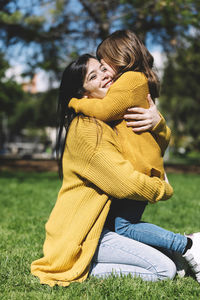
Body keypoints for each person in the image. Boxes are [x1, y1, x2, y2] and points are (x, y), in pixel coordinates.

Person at [31, 54, 178, 287]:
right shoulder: (88, 129)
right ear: (83, 94)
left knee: (173, 260)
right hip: (83, 234)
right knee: (165, 270)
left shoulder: (109, 118)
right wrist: (163, 189)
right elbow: (125, 183)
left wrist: (157, 123)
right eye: (93, 76)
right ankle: (84, 266)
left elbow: (150, 146)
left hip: (107, 227)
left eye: (102, 69)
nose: (105, 76)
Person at [68, 30, 200, 282]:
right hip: (135, 174)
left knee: (124, 226)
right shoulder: (127, 88)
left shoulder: (129, 82)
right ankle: (181, 250)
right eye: (97, 73)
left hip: (137, 172)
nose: (105, 73)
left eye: (104, 64)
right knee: (124, 227)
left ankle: (186, 245)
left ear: (120, 57)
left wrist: (74, 102)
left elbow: (108, 110)